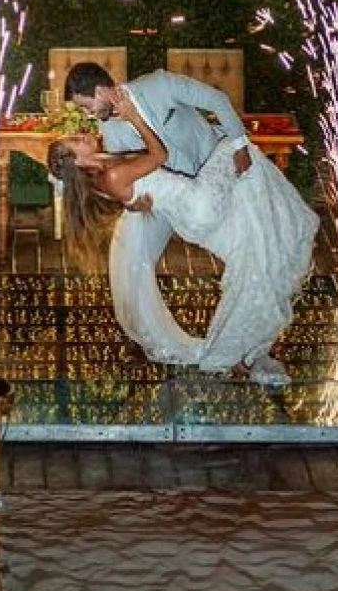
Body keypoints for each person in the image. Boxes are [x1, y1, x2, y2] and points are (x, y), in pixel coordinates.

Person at [47, 82, 318, 385]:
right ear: (76, 161)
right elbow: (159, 156)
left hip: (191, 210)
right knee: (236, 145)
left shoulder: (104, 167)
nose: (82, 133)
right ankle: (279, 225)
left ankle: (244, 350)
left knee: (254, 256)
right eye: (75, 141)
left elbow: (138, 183)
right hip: (198, 204)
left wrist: (134, 200)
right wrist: (135, 117)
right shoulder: (109, 173)